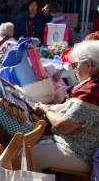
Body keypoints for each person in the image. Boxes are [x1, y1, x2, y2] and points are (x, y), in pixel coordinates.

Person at [32, 41, 99, 173]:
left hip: (78, 153)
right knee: (26, 142)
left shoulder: (93, 88)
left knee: (19, 154)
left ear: (88, 65)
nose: (75, 69)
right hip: (79, 148)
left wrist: (46, 110)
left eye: (76, 64)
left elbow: (64, 126)